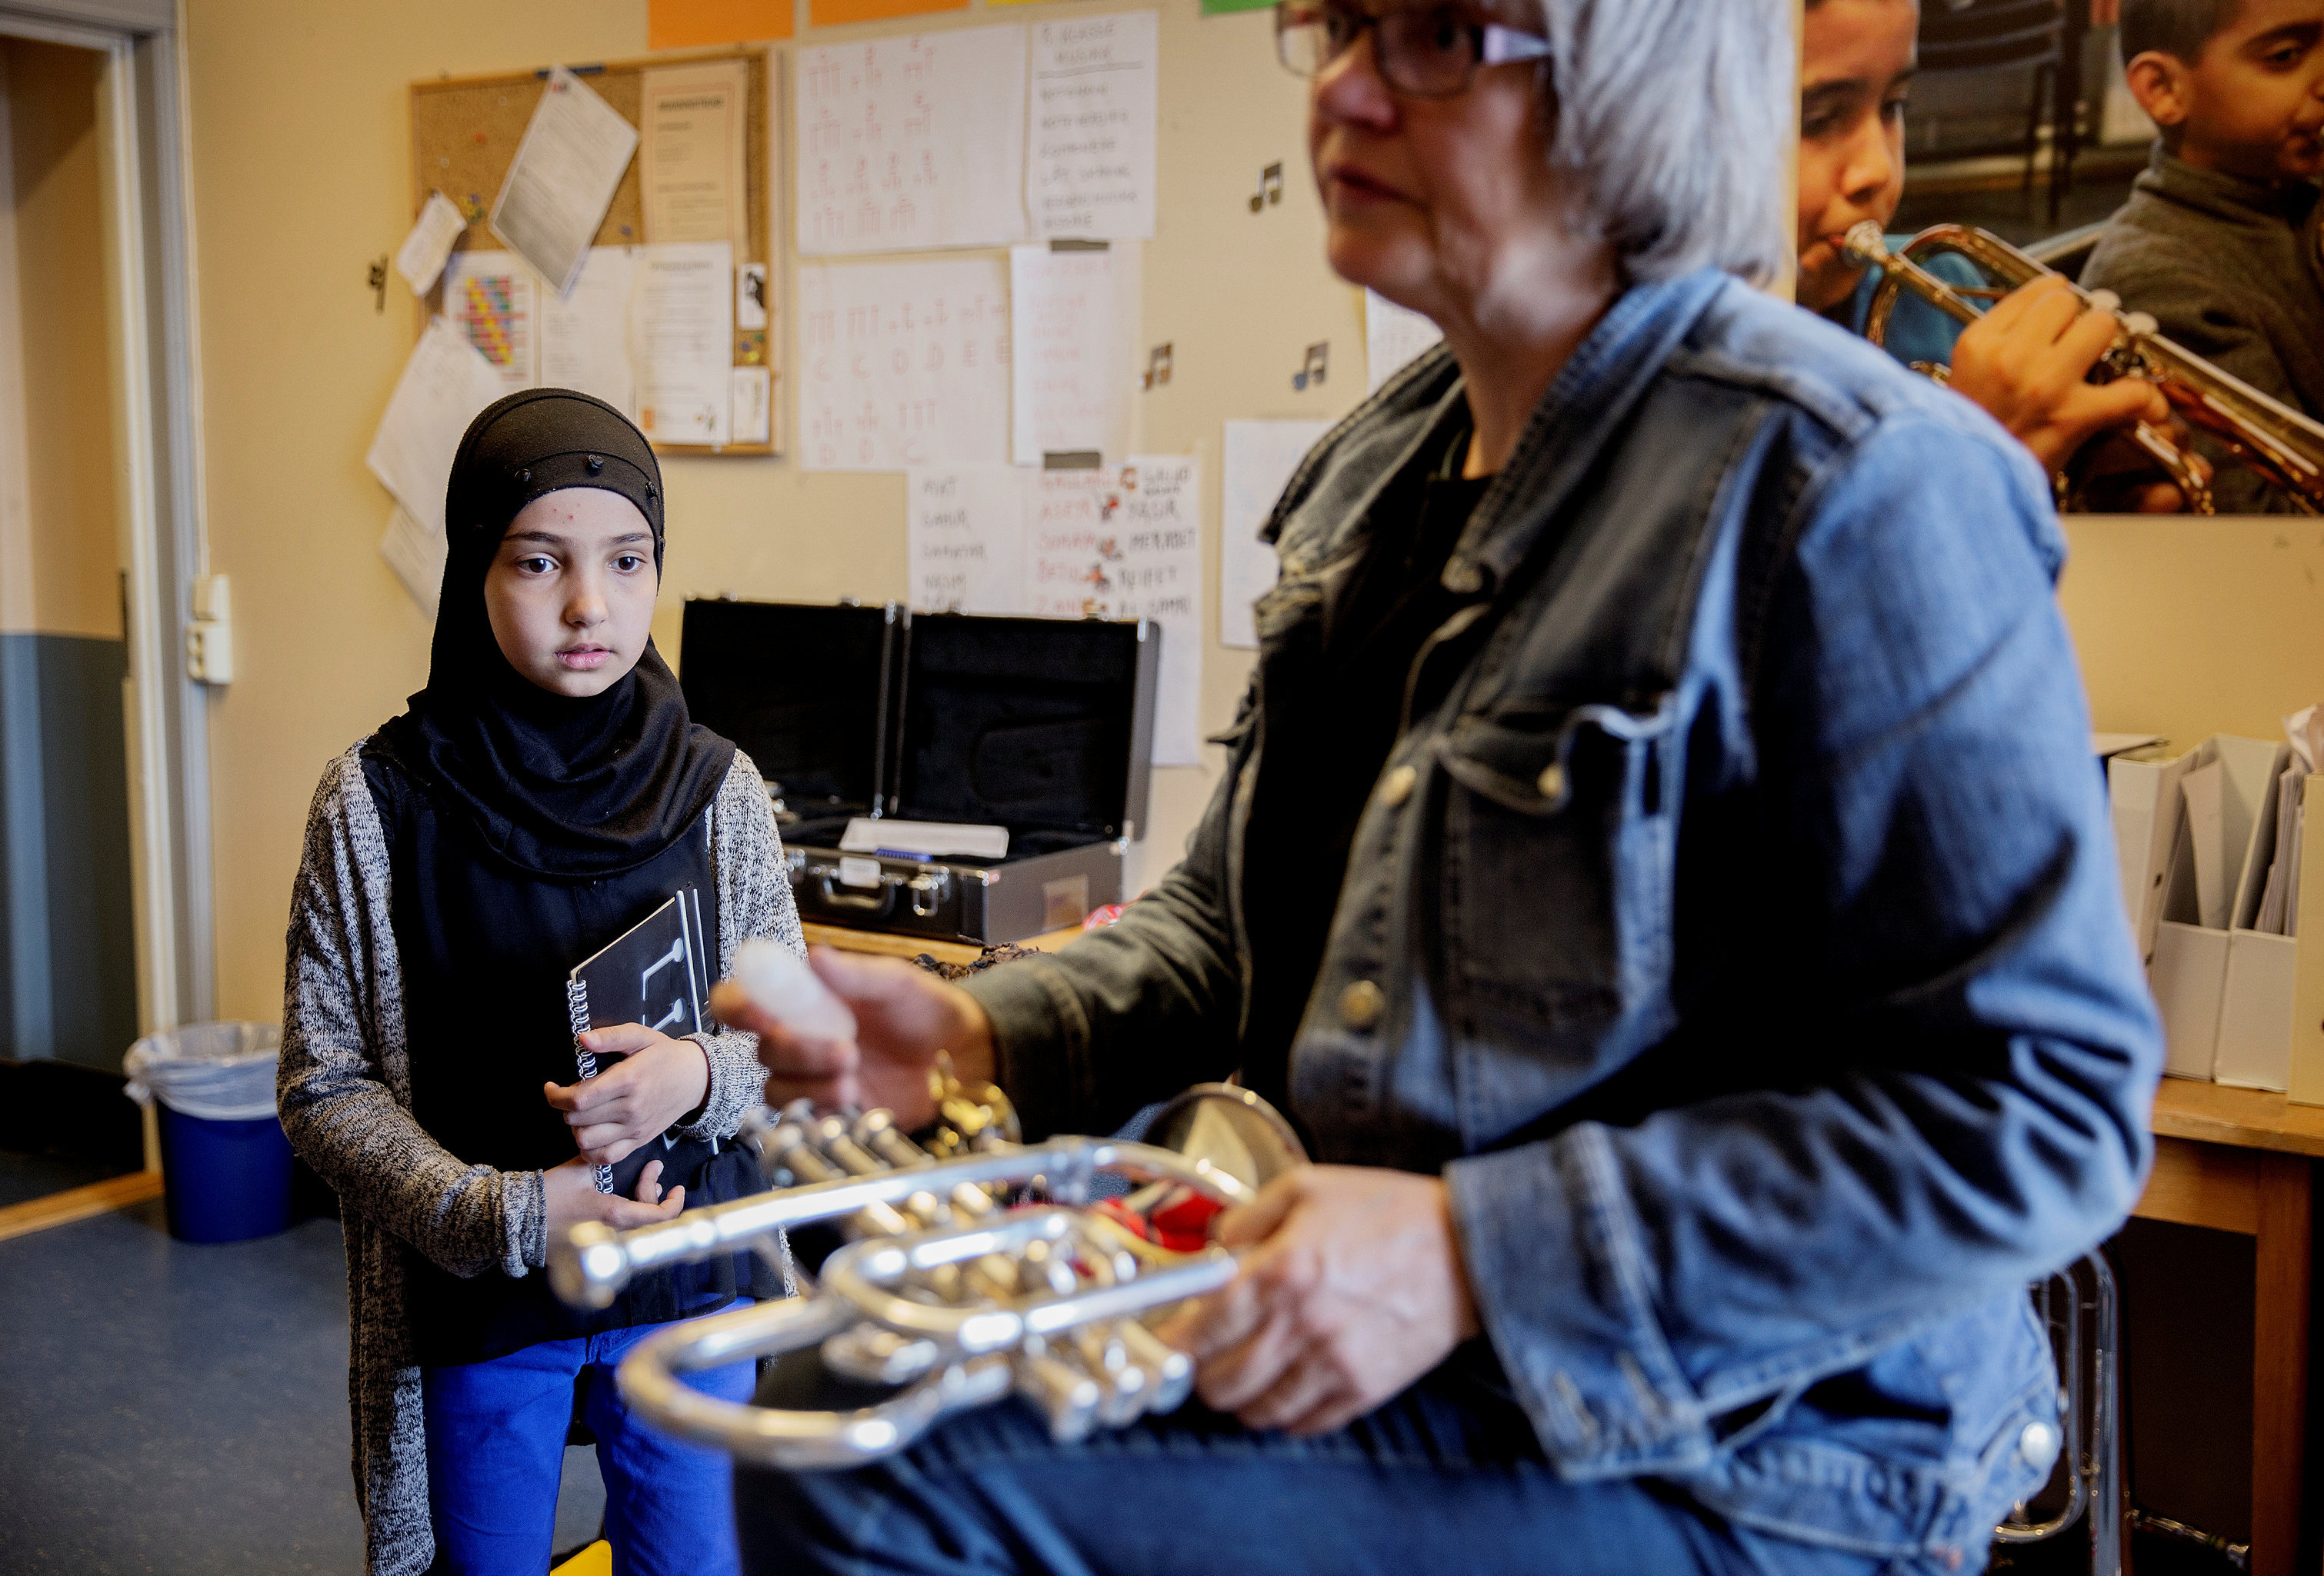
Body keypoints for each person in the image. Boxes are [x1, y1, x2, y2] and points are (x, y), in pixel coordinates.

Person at [716, 0, 2163, 1571]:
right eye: (1335, 24)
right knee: (842, 1355)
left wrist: (1475, 1254)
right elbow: (1231, 928)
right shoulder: (1379, 472)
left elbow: (2040, 1111)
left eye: (1430, 34)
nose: (1343, 84)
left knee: (888, 1464)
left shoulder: (1856, 480)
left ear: (1638, 87)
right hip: (1425, 1367)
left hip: (1752, 1453)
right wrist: (990, 1026)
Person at [277, 389, 805, 1576]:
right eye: (537, 562)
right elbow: (322, 1084)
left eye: (627, 561)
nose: (590, 605)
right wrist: (506, 1212)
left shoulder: (720, 789)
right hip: (484, 1301)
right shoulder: (375, 802)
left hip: (687, 1282)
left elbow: (792, 1038)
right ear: (473, 566)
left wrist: (701, 1075)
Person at [1796, 0, 2186, 509]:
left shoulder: (1937, 285)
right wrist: (1970, 457)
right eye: (1819, 119)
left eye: (1894, 105)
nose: (1879, 169)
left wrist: (2080, 500)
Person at [2082, 0, 2324, 512]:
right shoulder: (2163, 284)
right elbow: (2272, 525)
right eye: (2284, 56)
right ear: (2163, 90)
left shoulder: (2295, 193)